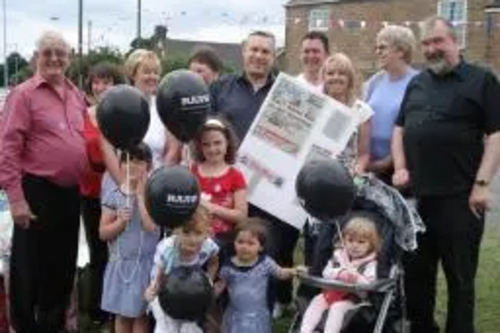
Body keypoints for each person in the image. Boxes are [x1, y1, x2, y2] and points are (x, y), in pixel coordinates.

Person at [392, 16, 500, 333]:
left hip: (460, 199)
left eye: (438, 41)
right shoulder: (417, 82)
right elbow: (400, 128)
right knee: (417, 279)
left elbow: (496, 135)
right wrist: (399, 166)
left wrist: (482, 184)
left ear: (455, 41)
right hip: (417, 201)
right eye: (426, 44)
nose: (431, 49)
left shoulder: (481, 80)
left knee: (460, 280)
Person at [0, 31, 87, 333]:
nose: (54, 58)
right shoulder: (23, 94)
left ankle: (53, 325)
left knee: (62, 268)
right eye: (47, 52)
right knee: (29, 269)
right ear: (36, 57)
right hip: (35, 192)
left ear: (69, 58)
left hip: (69, 193)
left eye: (60, 53)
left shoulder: (77, 95)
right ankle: (24, 327)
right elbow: (8, 148)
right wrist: (16, 198)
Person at [210, 30, 299, 318]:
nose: (259, 56)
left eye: (266, 52)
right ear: (244, 52)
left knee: (271, 243)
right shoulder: (221, 87)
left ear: (274, 57)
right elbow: (208, 129)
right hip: (230, 183)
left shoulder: (286, 92)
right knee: (231, 243)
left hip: (273, 185)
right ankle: (227, 300)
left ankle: (270, 301)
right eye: (254, 50)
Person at [80, 61, 125, 327]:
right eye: (96, 82)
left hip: (118, 193)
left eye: (107, 81)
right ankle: (98, 309)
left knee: (119, 252)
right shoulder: (82, 114)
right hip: (89, 194)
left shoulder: (123, 113)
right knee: (98, 253)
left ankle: (119, 306)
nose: (100, 86)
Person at [99, 143, 160, 333]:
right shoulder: (114, 195)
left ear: (148, 166)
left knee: (140, 315)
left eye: (138, 161)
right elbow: (103, 233)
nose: (132, 165)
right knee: (122, 315)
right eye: (127, 160)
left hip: (144, 266)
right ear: (120, 165)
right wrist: (119, 223)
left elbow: (151, 227)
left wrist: (141, 198)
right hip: (122, 265)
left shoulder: (154, 195)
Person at [101, 49, 181, 191]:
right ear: (133, 74)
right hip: (119, 187)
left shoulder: (164, 107)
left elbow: (172, 150)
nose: (153, 77)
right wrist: (125, 186)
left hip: (153, 188)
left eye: (156, 72)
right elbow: (107, 149)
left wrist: (158, 183)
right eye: (147, 72)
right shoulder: (117, 104)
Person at [144, 205, 219, 333]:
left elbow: (214, 262)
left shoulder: (208, 246)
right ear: (176, 230)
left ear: (207, 232)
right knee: (166, 328)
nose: (192, 239)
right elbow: (159, 273)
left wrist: (209, 280)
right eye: (186, 232)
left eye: (198, 233)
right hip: (166, 291)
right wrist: (153, 290)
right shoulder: (167, 248)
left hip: (192, 292)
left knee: (191, 328)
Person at [300, 217, 381, 333]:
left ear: (371, 244)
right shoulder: (339, 256)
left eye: (361, 242)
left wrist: (356, 277)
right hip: (331, 293)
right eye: (350, 240)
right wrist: (340, 272)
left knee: (337, 308)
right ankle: (305, 330)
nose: (355, 245)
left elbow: (369, 285)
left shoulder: (370, 263)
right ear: (343, 240)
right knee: (317, 300)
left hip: (354, 299)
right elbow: (326, 273)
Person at [215, 219, 297, 333]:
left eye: (250, 243)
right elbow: (220, 285)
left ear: (261, 247)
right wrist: (210, 293)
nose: (244, 246)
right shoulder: (228, 266)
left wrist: (294, 271)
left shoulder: (265, 263)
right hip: (235, 315)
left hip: (257, 315)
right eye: (240, 242)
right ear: (234, 243)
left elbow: (280, 273)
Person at [365, 25, 418, 184]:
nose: (377, 52)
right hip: (370, 165)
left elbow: (414, 131)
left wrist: (387, 162)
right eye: (377, 48)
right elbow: (364, 118)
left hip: (399, 171)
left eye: (383, 47)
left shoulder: (417, 83)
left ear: (401, 51)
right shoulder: (375, 81)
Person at [191, 117, 248, 259]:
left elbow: (241, 215)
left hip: (221, 242)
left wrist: (212, 208)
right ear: (200, 147)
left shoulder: (235, 175)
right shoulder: (192, 171)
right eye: (206, 144)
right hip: (192, 238)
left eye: (217, 143)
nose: (212, 149)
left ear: (227, 142)